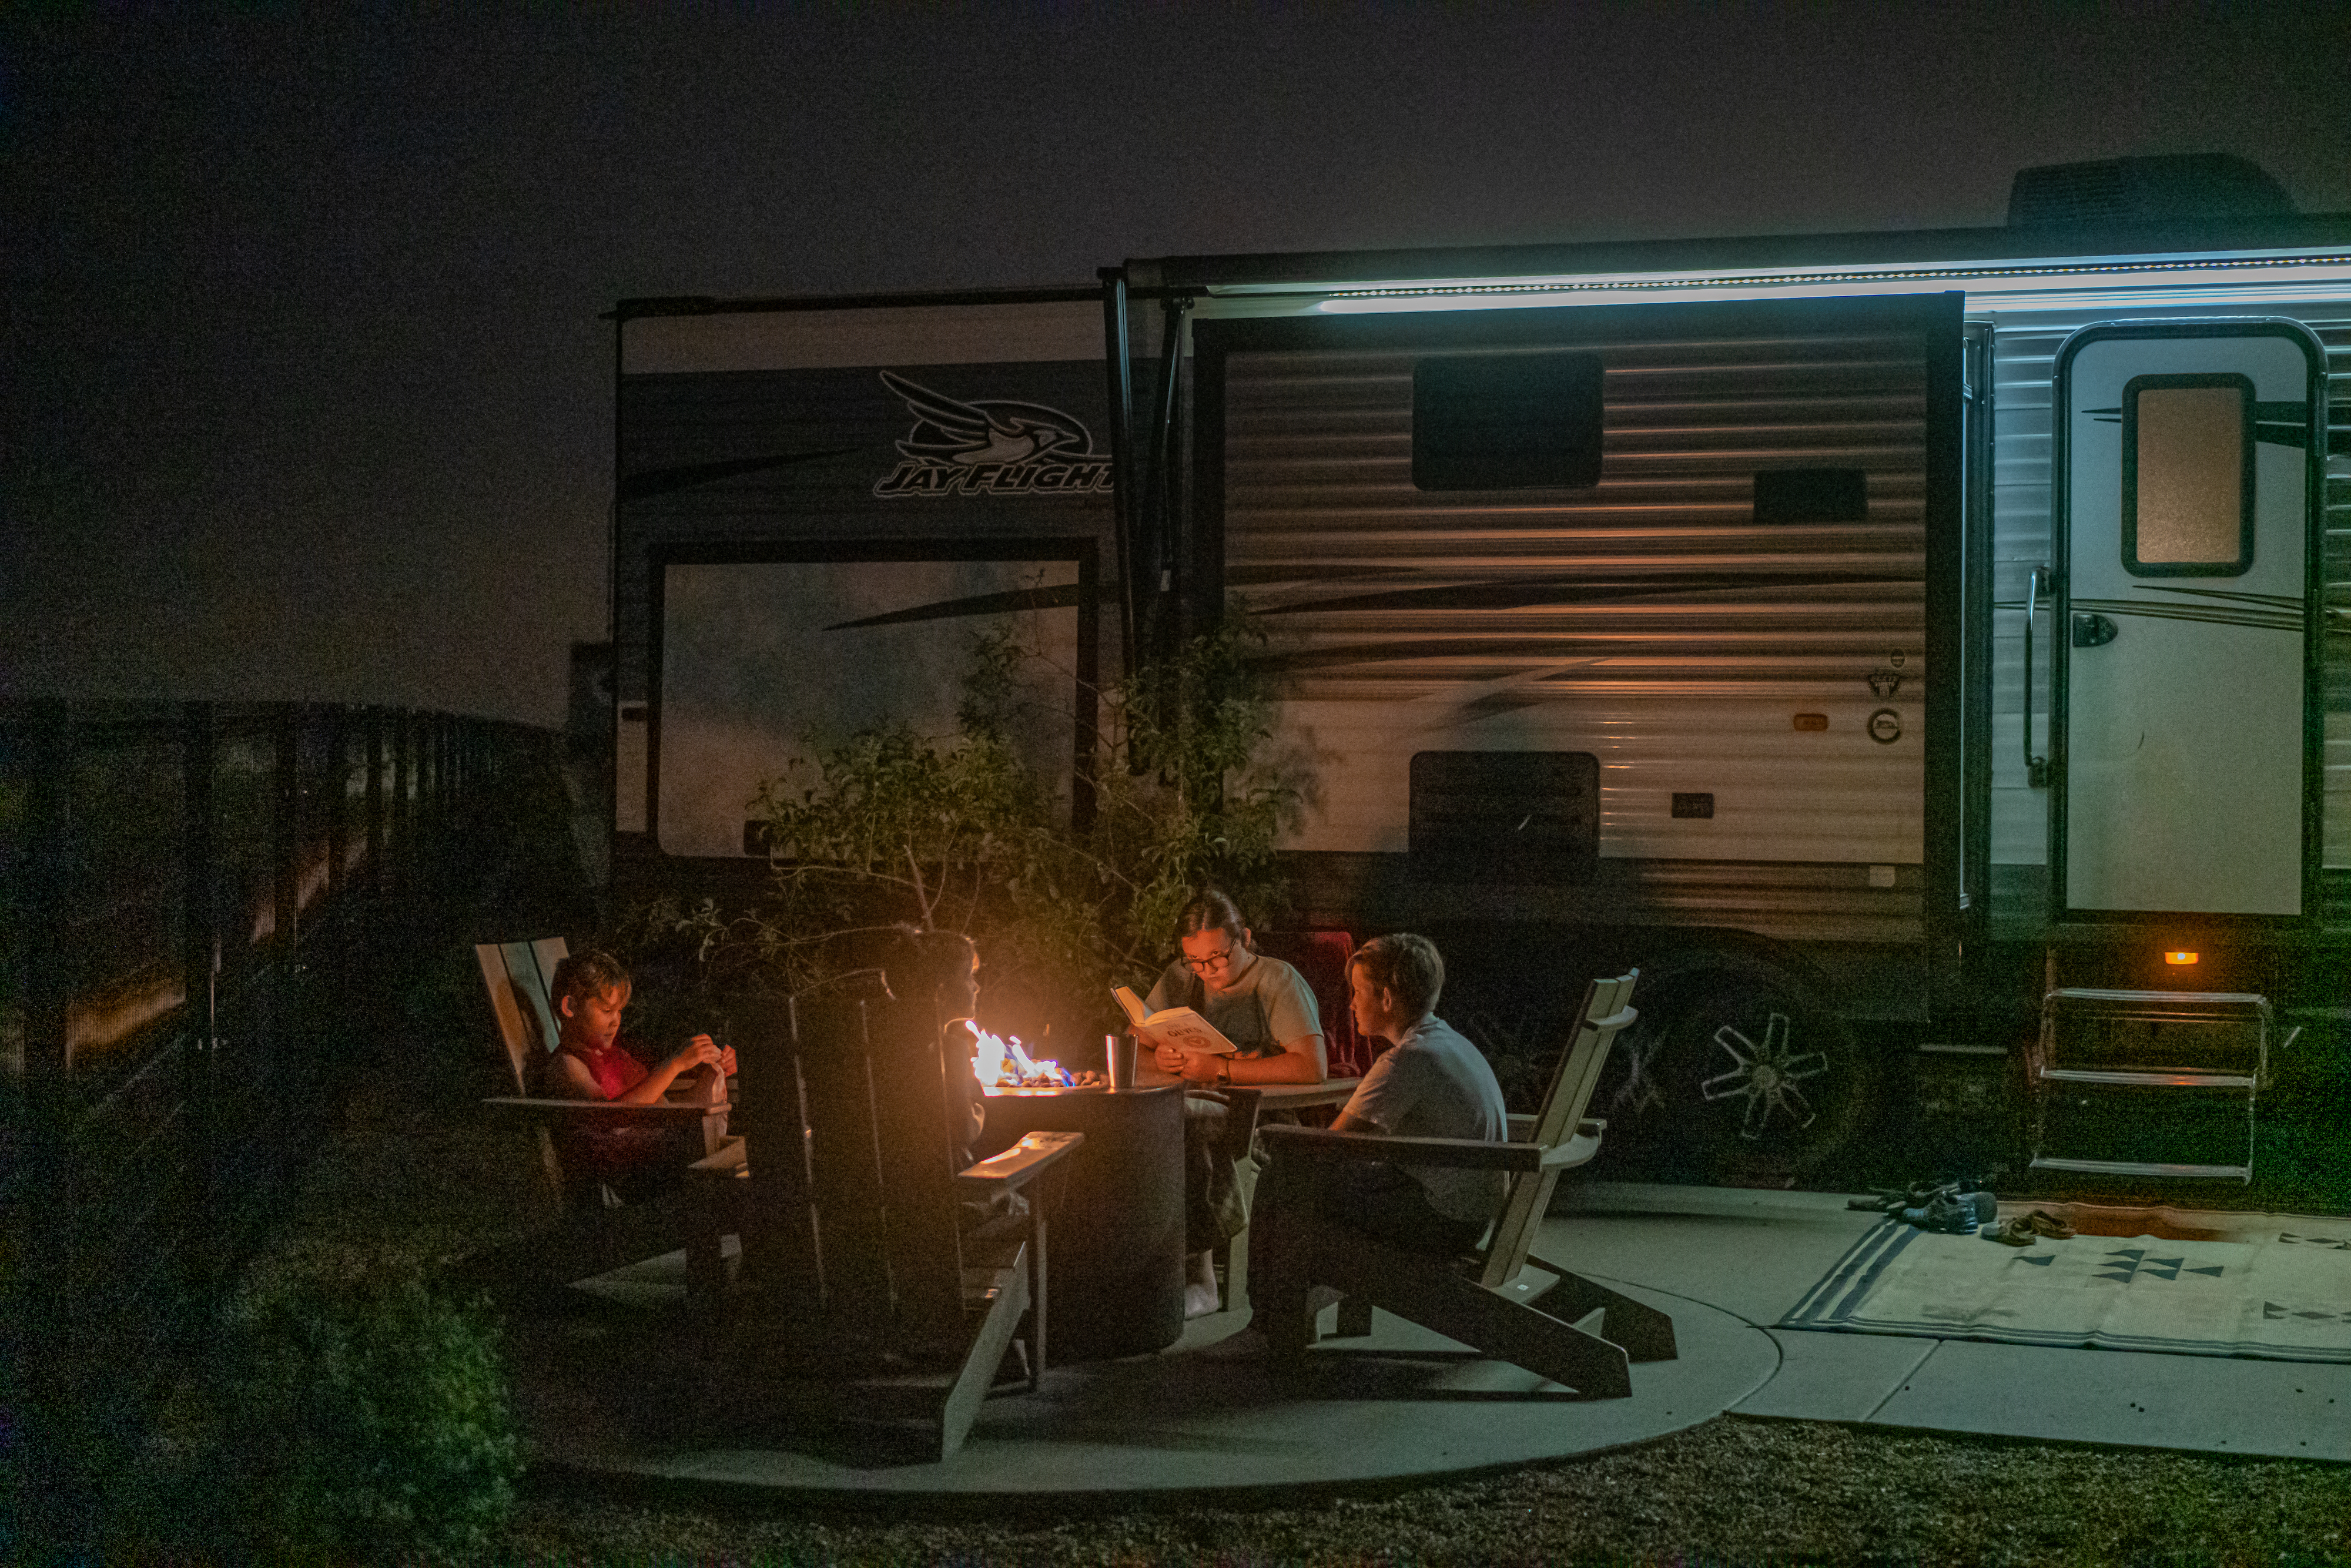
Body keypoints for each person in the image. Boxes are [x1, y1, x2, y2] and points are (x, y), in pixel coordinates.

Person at [1138, 890, 1326, 1316]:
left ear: (1244, 938)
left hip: (1257, 1117)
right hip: (1189, 1101)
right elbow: (1139, 1046)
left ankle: (1199, 1278)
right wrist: (1161, 1056)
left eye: (1217, 958)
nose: (1207, 972)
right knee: (1144, 1124)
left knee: (1186, 1126)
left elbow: (1312, 1067)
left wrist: (1220, 1069)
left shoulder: (1277, 980)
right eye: (1195, 962)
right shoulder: (1181, 979)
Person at [1323, 932, 1508, 1254]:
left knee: (1289, 1182)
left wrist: (1273, 1141)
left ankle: (1277, 1300)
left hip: (1442, 1220)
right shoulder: (1450, 1042)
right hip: (1472, 1215)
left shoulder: (1406, 1059)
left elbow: (1330, 1148)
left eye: (1358, 991)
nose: (1351, 1003)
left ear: (1386, 998)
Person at [541, 949, 738, 1199]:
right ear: (570, 1007)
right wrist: (674, 1064)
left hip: (660, 1153)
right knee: (740, 1157)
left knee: (736, 1152)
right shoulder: (569, 1066)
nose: (616, 1021)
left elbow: (663, 1106)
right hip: (635, 1173)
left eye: (619, 1011)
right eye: (606, 1010)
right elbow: (610, 1118)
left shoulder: (617, 1058)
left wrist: (712, 1074)